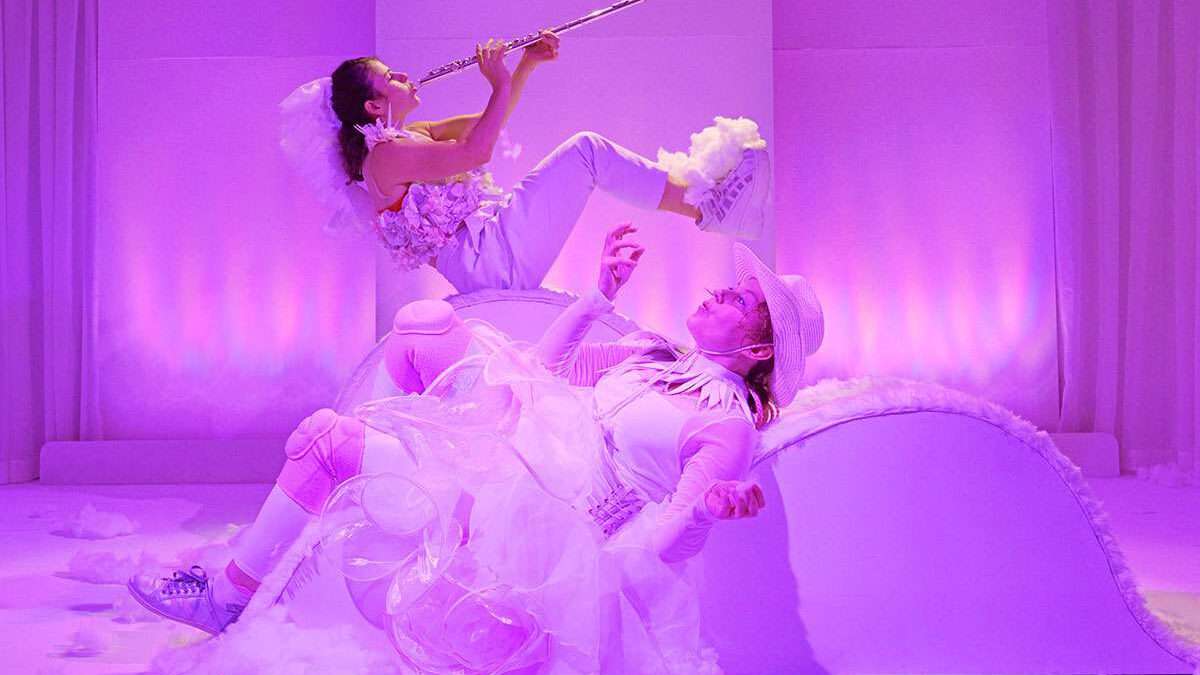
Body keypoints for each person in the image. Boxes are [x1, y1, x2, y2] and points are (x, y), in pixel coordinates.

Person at [129, 225, 823, 671]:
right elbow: (543, 369)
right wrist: (596, 296)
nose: (716, 293)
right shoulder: (650, 354)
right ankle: (402, 480)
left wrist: (708, 506)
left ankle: (232, 593)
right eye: (728, 286)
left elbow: (666, 545)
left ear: (759, 349)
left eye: (739, 300)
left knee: (325, 439)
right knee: (423, 323)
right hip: (509, 448)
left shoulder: (724, 425)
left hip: (542, 521)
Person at [280, 31, 772, 293]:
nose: (406, 76)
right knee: (586, 151)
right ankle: (707, 208)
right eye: (391, 78)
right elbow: (477, 151)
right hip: (487, 262)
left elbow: (486, 124)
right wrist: (496, 81)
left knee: (587, 152)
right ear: (373, 106)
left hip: (494, 241)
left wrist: (526, 64)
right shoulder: (385, 157)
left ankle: (706, 206)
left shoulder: (413, 134)